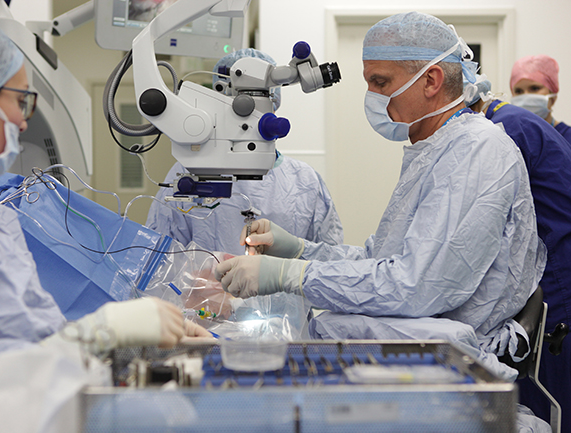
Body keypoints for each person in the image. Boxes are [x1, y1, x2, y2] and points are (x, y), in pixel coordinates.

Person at [215, 10, 546, 381]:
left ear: (432, 80)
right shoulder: (435, 150)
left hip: (453, 371)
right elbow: (381, 262)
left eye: (380, 81)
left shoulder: (477, 152)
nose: (371, 96)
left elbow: (416, 286)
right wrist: (299, 250)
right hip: (422, 354)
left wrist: (290, 275)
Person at [0, 4, 210, 388]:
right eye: (19, 100)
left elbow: (35, 342)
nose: (24, 121)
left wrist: (137, 350)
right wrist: (98, 334)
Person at [146, 49, 344, 256]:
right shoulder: (190, 173)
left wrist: (282, 277)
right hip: (208, 288)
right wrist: (205, 282)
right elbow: (159, 256)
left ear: (272, 107)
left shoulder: (306, 181)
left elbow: (329, 259)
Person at [466, 76, 571, 432]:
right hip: (550, 269)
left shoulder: (506, 130)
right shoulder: (510, 123)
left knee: (549, 400)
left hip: (554, 277)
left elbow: (487, 223)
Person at [510, 55, 571, 143]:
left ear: (553, 96)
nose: (526, 96)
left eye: (535, 88)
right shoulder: (509, 139)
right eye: (518, 91)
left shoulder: (567, 138)